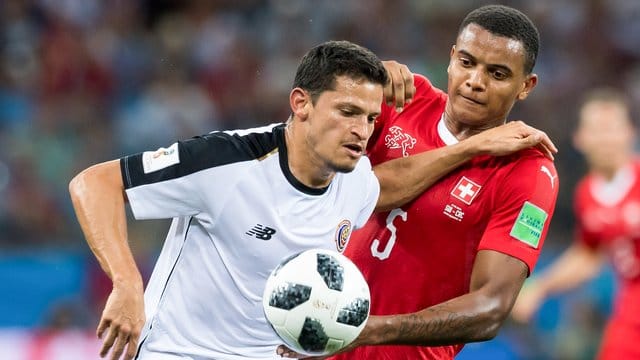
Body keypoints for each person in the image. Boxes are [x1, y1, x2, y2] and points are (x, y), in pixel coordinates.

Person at [69, 40, 554, 360]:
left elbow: (391, 184)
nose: (363, 131)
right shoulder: (228, 160)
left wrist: (470, 147)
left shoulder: (352, 178)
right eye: (346, 112)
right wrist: (127, 282)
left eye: (369, 118)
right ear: (301, 104)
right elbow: (94, 183)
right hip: (176, 352)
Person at [276, 5, 559, 360]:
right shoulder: (404, 101)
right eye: (467, 62)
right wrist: (361, 84)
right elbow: (308, 163)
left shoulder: (529, 172)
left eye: (498, 74)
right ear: (452, 57)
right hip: (307, 333)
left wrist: (364, 329)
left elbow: (491, 309)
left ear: (525, 86)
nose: (475, 81)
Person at [511, 88, 640, 359]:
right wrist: (541, 287)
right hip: (631, 311)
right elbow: (589, 254)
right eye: (597, 129)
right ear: (580, 139)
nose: (605, 138)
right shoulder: (587, 194)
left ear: (630, 132)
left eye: (612, 128)